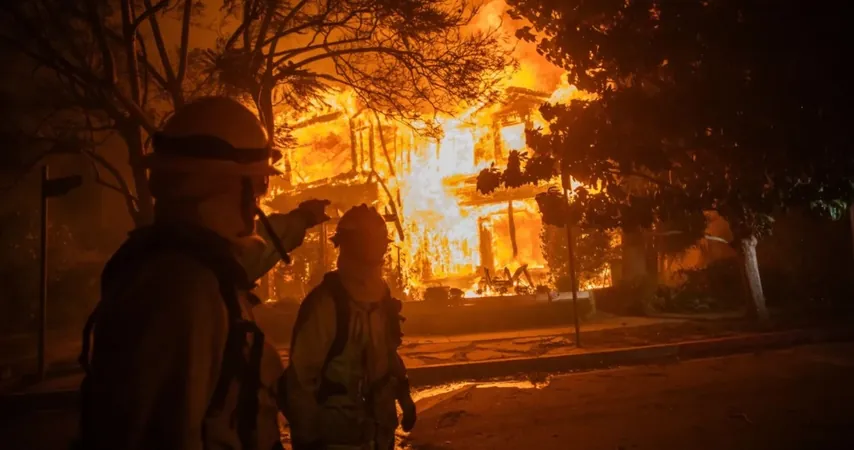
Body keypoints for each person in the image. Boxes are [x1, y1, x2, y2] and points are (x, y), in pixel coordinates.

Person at [75, 96, 329, 450]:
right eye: (257, 186)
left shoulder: (195, 268)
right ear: (221, 186)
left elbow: (256, 252)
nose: (258, 203)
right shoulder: (181, 290)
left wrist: (301, 220)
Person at [282, 204, 416, 450]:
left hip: (378, 434)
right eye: (374, 242)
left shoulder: (380, 295)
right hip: (335, 437)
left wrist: (404, 397)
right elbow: (300, 380)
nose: (381, 250)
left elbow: (388, 353)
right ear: (355, 244)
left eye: (382, 242)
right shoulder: (325, 304)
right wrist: (307, 439)